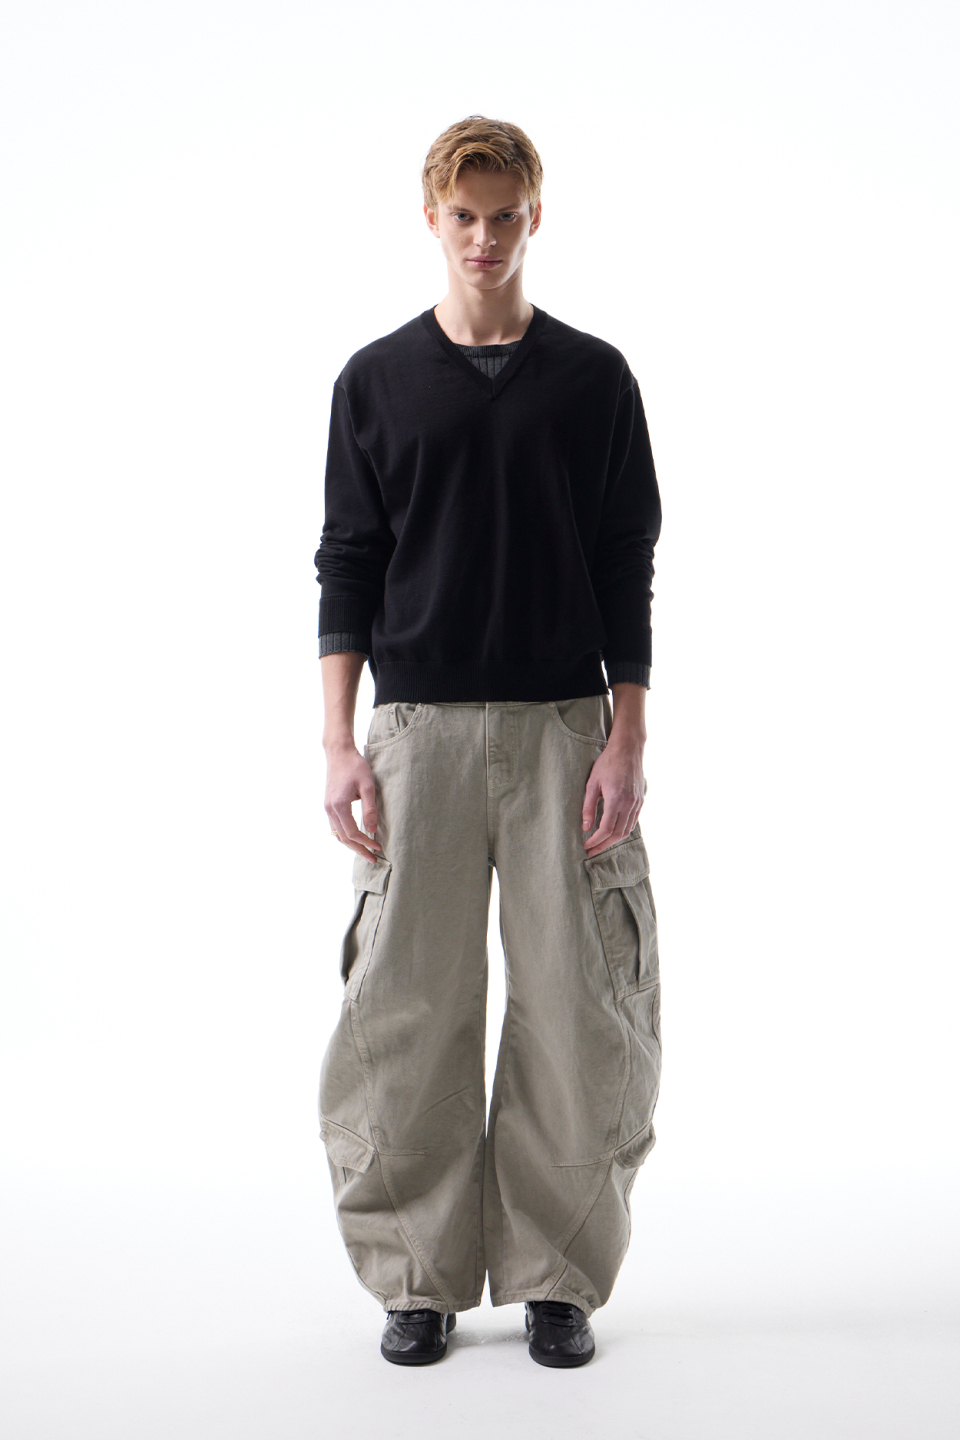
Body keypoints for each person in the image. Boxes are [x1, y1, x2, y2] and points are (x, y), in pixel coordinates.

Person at [313, 115, 662, 1368]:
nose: (484, 237)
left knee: (579, 1008)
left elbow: (626, 561)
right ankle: (417, 1277)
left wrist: (626, 735)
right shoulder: (376, 380)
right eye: (463, 216)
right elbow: (348, 561)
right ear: (432, 219)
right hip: (418, 732)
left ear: (535, 217)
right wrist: (339, 739)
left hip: (565, 728)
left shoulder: (594, 379)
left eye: (505, 214)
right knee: (405, 1007)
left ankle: (557, 1276)